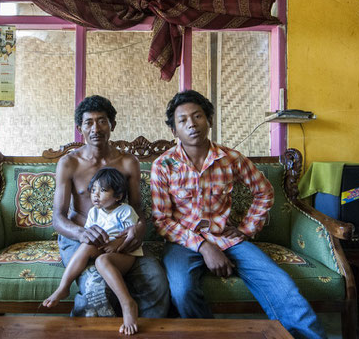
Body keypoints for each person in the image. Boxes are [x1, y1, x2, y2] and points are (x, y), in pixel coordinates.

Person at [150, 90, 327, 339]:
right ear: (174, 131)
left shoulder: (230, 158)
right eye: (183, 120)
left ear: (209, 120)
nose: (191, 124)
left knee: (282, 286)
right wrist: (203, 247)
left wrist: (246, 229)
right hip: (184, 242)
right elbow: (162, 221)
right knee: (181, 290)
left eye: (197, 116)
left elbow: (264, 191)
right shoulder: (163, 165)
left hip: (228, 238)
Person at [51, 95, 169, 319]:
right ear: (80, 128)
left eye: (102, 121)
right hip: (80, 239)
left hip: (118, 237)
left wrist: (139, 229)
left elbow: (137, 209)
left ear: (112, 125)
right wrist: (82, 232)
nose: (96, 128)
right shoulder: (69, 163)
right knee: (95, 289)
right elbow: (58, 218)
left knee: (157, 280)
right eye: (89, 122)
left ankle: (144, 332)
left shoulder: (128, 162)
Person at [44, 167, 142, 334]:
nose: (95, 195)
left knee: (101, 261)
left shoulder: (125, 211)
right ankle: (64, 286)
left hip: (125, 253)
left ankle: (127, 303)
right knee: (86, 246)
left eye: (103, 190)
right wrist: (93, 242)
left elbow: (131, 236)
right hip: (103, 248)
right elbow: (89, 234)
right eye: (94, 189)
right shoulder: (94, 212)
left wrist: (116, 244)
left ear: (118, 196)